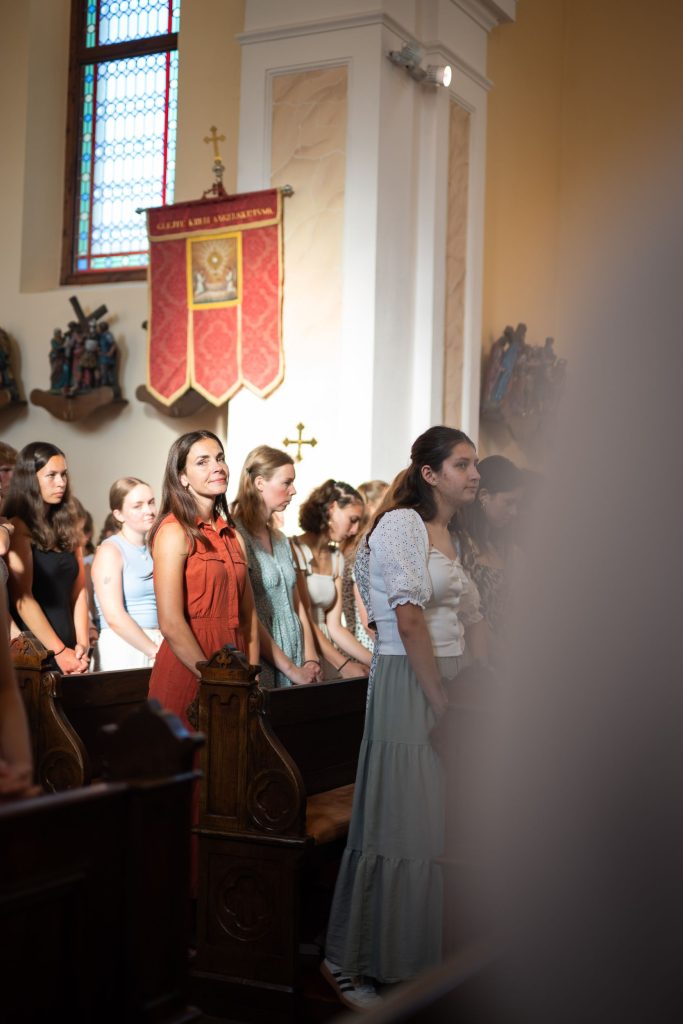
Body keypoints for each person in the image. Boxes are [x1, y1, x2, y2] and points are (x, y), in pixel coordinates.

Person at [322, 426, 486, 1008]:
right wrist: (441, 701)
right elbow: (409, 620)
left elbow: (470, 619)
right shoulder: (400, 525)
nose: (474, 474)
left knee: (438, 824)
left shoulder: (452, 533)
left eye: (475, 464)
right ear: (430, 473)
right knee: (403, 823)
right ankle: (354, 960)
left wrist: (485, 687)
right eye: (462, 464)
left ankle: (420, 961)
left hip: (451, 678)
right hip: (412, 681)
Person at [148, 431, 259, 729]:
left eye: (220, 458)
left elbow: (248, 617)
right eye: (203, 462)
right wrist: (212, 679)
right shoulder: (173, 532)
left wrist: (251, 675)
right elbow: (171, 623)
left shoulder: (233, 536)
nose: (217, 467)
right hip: (190, 663)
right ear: (182, 477)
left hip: (234, 664)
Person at [231, 446, 322, 688]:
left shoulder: (281, 539)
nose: (294, 490)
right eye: (287, 482)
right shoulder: (237, 536)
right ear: (260, 483)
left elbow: (297, 604)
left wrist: (311, 658)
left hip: (296, 651)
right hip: (265, 656)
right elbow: (248, 614)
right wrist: (291, 670)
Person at [4, 442, 89, 674]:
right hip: (37, 650)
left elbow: (79, 591)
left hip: (72, 648)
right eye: (51, 475)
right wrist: (59, 652)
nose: (61, 482)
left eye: (64, 474)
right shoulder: (19, 527)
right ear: (30, 479)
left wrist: (82, 645)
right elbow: (22, 599)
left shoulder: (69, 524)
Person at [291, 480, 372, 678]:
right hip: (303, 648)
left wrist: (377, 660)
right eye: (352, 520)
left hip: (329, 651)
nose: (355, 530)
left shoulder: (337, 558)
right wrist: (344, 665)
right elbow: (305, 619)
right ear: (332, 509)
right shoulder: (293, 549)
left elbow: (335, 627)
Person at [457, 455, 524, 666]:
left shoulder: (506, 548)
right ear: (484, 496)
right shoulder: (462, 546)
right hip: (474, 656)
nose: (514, 512)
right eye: (509, 502)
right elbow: (469, 614)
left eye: (518, 504)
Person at [92, 477, 162, 670]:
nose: (149, 510)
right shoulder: (110, 550)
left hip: (156, 641)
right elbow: (114, 616)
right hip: (124, 646)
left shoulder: (154, 548)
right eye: (138, 506)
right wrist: (154, 651)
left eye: (151, 502)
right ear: (119, 514)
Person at [341, 480, 389, 653]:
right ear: (371, 508)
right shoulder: (364, 548)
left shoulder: (355, 545)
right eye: (387, 501)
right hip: (367, 646)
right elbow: (368, 619)